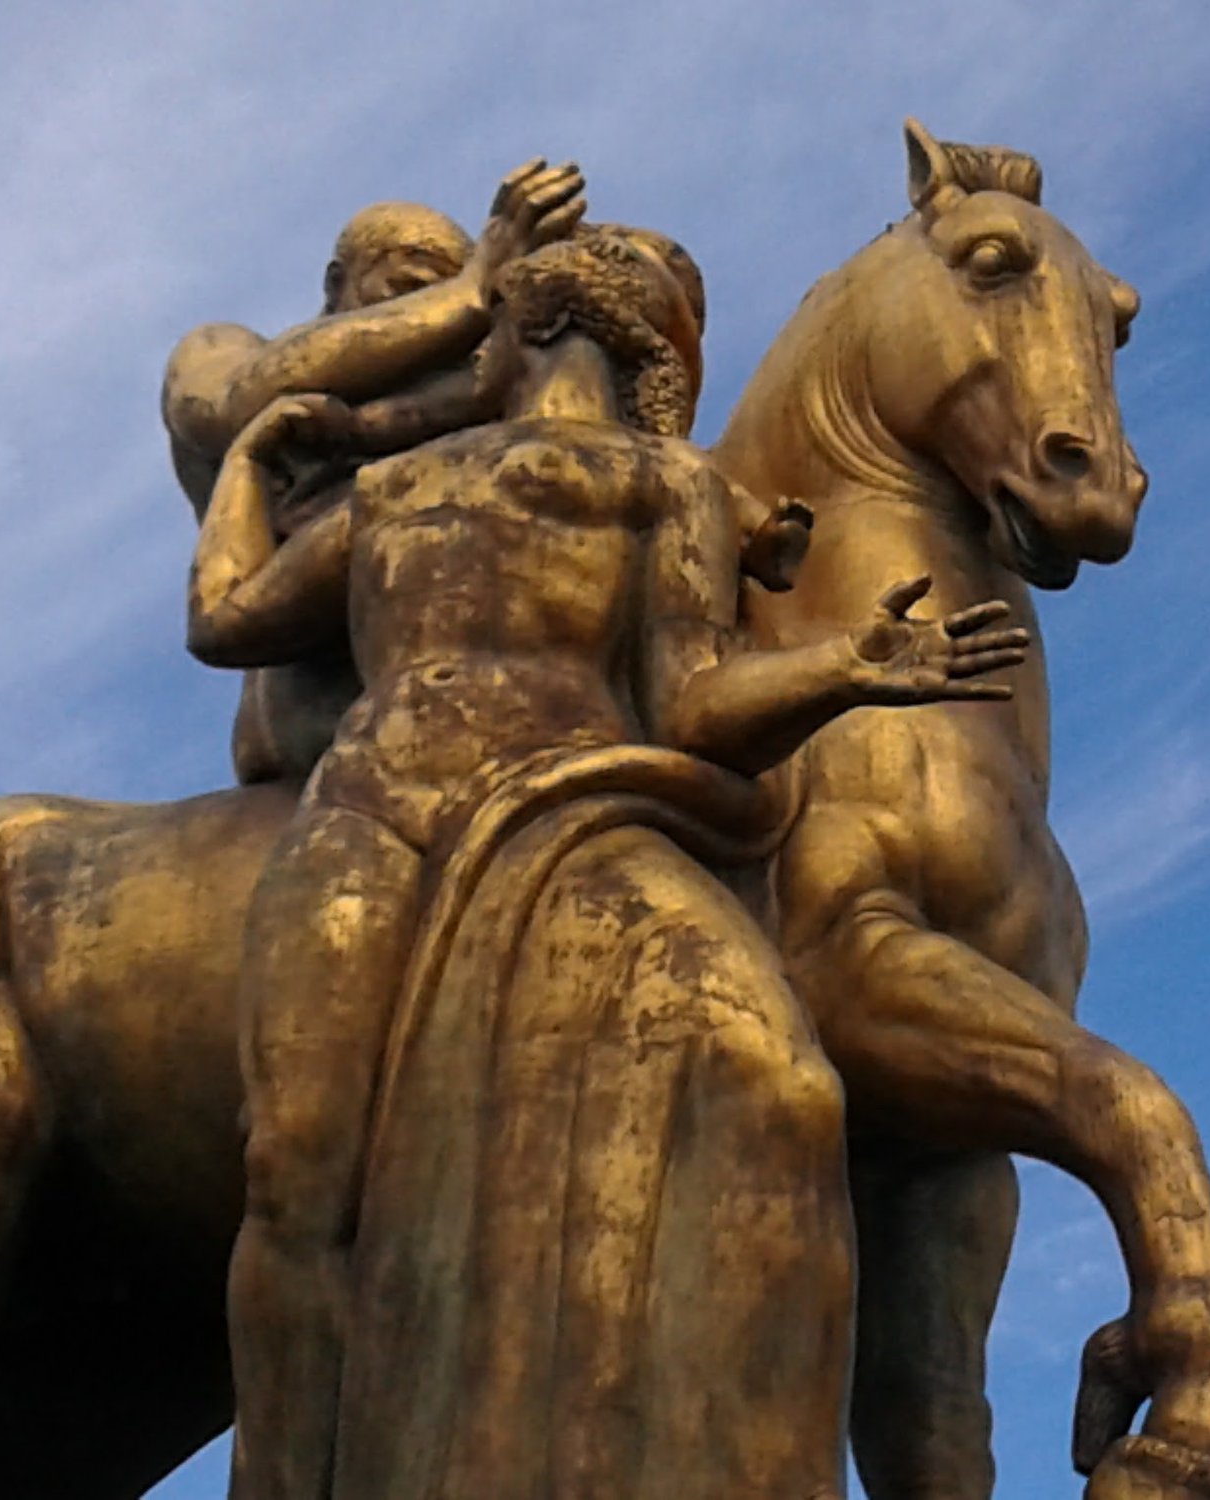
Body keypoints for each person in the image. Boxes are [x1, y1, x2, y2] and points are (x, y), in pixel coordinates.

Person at [188, 224, 1030, 1500]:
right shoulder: (407, 487)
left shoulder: (668, 488)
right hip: (375, 823)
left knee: (772, 1076)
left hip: (566, 816)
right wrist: (253, 461)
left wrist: (845, 669)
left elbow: (688, 704)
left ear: (523, 328)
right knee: (300, 1173)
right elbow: (230, 625)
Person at [163, 160, 585, 783]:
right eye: (405, 288)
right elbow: (231, 402)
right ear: (339, 282)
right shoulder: (223, 351)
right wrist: (471, 290)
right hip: (306, 700)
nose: (424, 311)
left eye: (436, 294)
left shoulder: (461, 400)